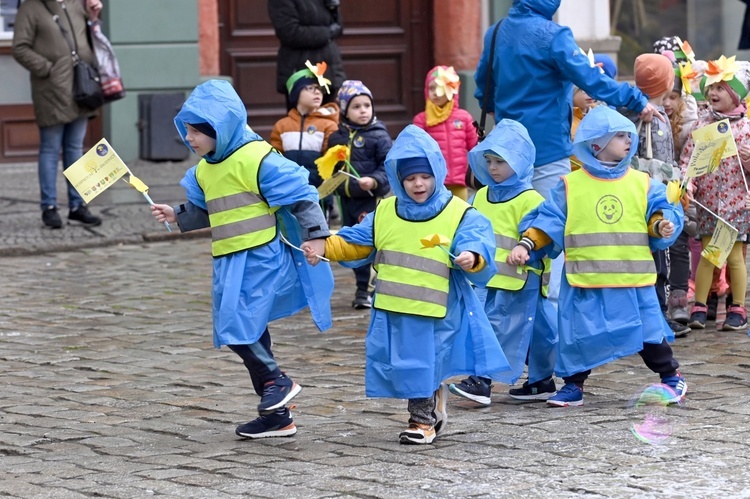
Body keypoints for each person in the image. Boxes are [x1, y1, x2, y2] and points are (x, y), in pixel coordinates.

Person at [302, 125, 510, 444]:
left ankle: (421, 421)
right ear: (399, 178)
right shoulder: (385, 211)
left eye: (424, 176)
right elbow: (357, 242)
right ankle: (432, 401)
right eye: (410, 177)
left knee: (421, 363)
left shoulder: (458, 213)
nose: (418, 183)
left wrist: (472, 256)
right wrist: (325, 245)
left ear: (436, 173)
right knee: (411, 365)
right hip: (393, 308)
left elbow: (477, 239)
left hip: (439, 309)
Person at [149, 79, 334, 438]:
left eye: (195, 131)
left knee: (236, 327)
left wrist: (318, 238)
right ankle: (277, 417)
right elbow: (208, 209)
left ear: (219, 127)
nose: (189, 138)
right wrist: (177, 214)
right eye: (186, 130)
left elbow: (302, 197)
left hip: (261, 257)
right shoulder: (204, 170)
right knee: (248, 331)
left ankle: (278, 381)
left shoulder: (257, 158)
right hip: (228, 260)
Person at [473, 0, 662, 307]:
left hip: (508, 151)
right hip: (548, 147)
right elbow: (591, 79)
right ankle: (549, 312)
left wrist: (503, 117)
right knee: (553, 227)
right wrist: (635, 99)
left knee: (507, 229)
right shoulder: (554, 35)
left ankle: (509, 308)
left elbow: (483, 87)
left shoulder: (495, 33)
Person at [507, 105, 687, 407]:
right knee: (579, 336)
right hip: (586, 279)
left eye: (628, 136)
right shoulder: (570, 185)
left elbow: (658, 212)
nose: (628, 141)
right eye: (619, 136)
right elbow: (549, 220)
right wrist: (526, 244)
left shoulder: (642, 182)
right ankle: (573, 386)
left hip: (633, 280)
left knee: (648, 334)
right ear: (596, 144)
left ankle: (671, 377)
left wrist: (660, 224)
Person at [449, 120, 558, 405]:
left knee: (519, 331)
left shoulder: (530, 199)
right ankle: (539, 382)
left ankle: (483, 382)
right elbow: (467, 227)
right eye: (489, 160)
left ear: (520, 162)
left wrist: (528, 249)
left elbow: (546, 236)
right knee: (519, 331)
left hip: (522, 282)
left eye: (501, 161)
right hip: (488, 281)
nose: (493, 167)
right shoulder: (482, 195)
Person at [12, 0, 104, 229]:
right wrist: (48, 69)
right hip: (52, 89)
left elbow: (90, 40)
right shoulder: (30, 8)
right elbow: (20, 47)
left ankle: (77, 206)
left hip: (81, 87)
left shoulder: (74, 4)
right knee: (51, 149)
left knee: (75, 148)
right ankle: (49, 207)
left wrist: (93, 18)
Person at [619, 53, 691, 338]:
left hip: (630, 196)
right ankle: (656, 318)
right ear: (665, 84)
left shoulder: (625, 112)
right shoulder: (657, 121)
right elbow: (664, 167)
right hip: (653, 202)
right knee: (658, 258)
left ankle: (638, 316)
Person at [682, 57, 750, 331]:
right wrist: (688, 183)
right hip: (709, 204)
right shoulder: (703, 125)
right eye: (712, 87)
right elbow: (690, 159)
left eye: (722, 88)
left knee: (734, 256)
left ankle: (738, 306)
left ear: (735, 95)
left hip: (737, 205)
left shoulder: (746, 128)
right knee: (710, 254)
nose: (713, 93)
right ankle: (699, 305)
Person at [327, 80, 392, 309]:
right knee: (351, 242)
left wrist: (374, 180)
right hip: (346, 201)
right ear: (344, 110)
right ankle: (361, 286)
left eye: (367, 105)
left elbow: (388, 167)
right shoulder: (337, 137)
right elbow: (330, 170)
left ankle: (370, 289)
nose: (363, 110)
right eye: (356, 107)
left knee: (370, 242)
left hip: (370, 200)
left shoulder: (379, 136)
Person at [269, 63, 339, 220]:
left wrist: (326, 192)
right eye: (310, 88)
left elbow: (331, 161)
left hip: (318, 193)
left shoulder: (328, 124)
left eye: (319, 89)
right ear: (295, 94)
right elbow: (275, 160)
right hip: (289, 192)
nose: (317, 92)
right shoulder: (282, 126)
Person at [661, 65, 700, 325]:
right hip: (655, 187)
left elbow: (692, 160)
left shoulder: (690, 127)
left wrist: (685, 184)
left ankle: (678, 299)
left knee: (679, 243)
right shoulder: (648, 120)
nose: (666, 103)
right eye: (662, 96)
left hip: (681, 190)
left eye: (672, 97)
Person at [413, 65, 478, 201]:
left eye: (440, 88)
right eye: (431, 88)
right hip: (433, 182)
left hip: (459, 182)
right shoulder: (422, 120)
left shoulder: (464, 117)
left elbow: (475, 147)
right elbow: (416, 150)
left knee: (459, 214)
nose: (435, 93)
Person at [268, 0, 345, 109]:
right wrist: (327, 33)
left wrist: (334, 8)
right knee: (301, 122)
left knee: (330, 121)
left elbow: (338, 27)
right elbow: (290, 32)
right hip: (301, 73)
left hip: (330, 71)